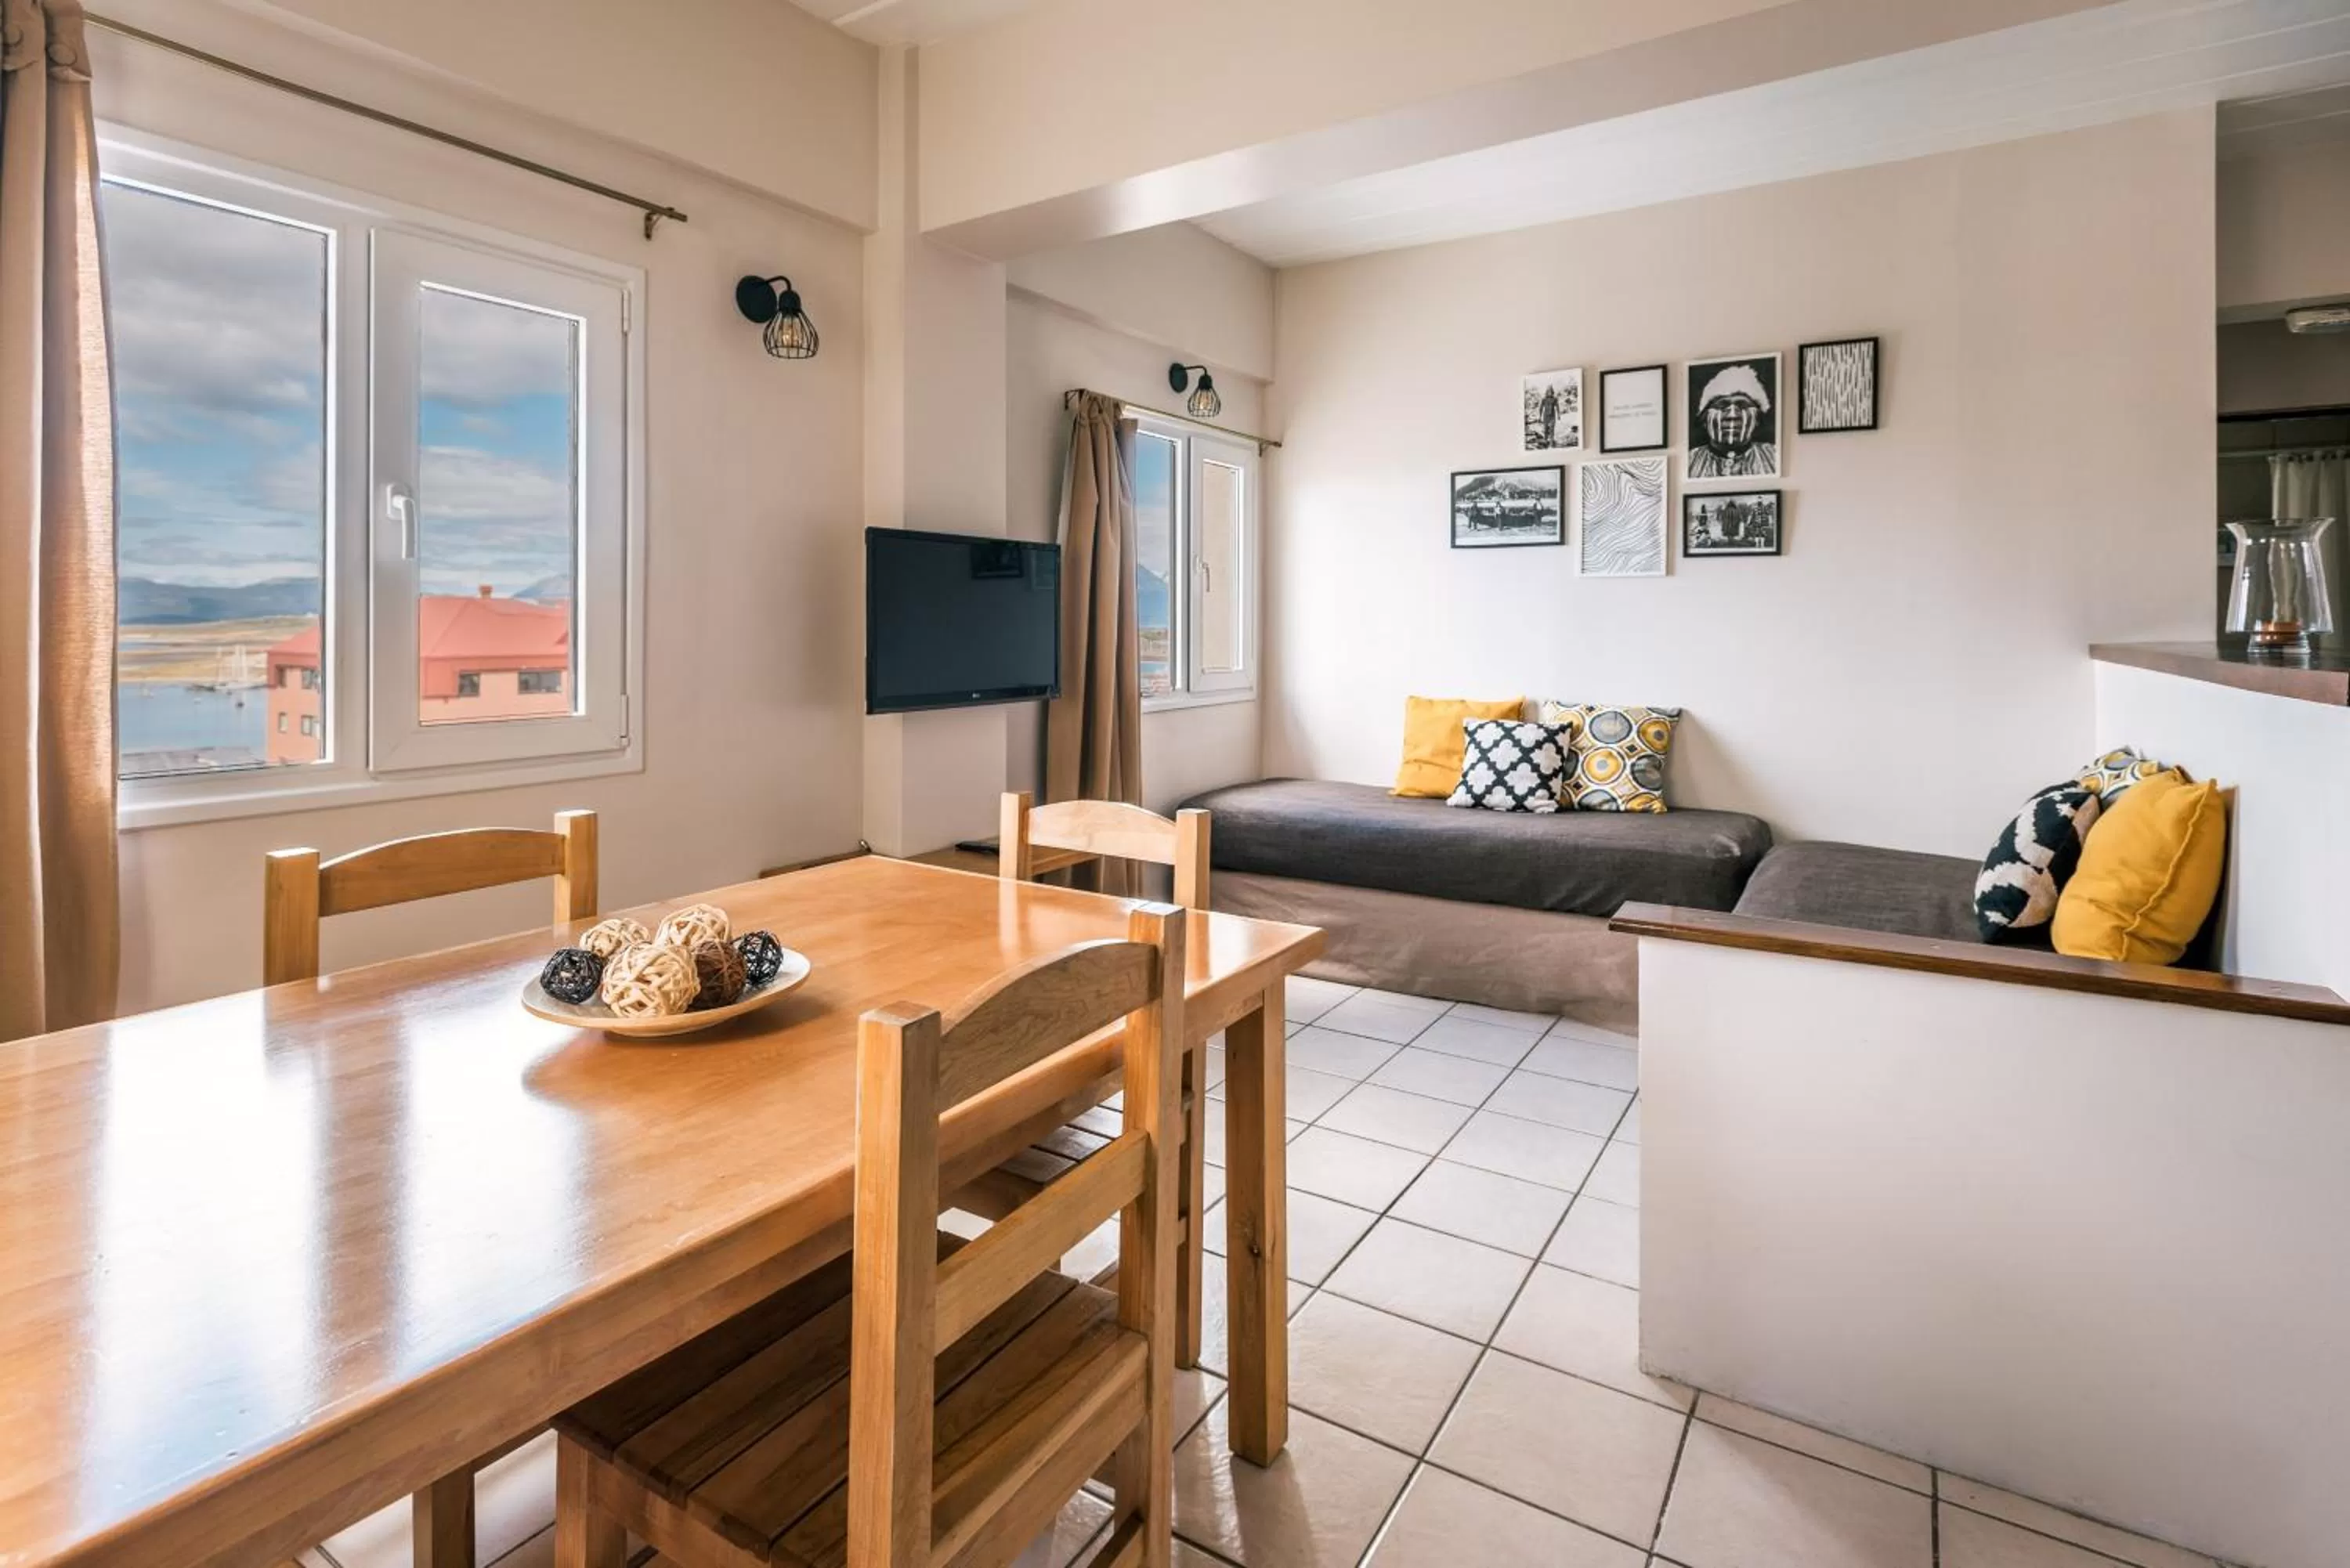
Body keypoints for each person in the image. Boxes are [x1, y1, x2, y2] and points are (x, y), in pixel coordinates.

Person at [1689, 363, 1777, 478]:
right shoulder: (1689, 461)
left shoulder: (1775, 456)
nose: (1732, 415)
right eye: (1721, 406)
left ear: (1757, 419)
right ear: (1705, 420)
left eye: (1743, 405)